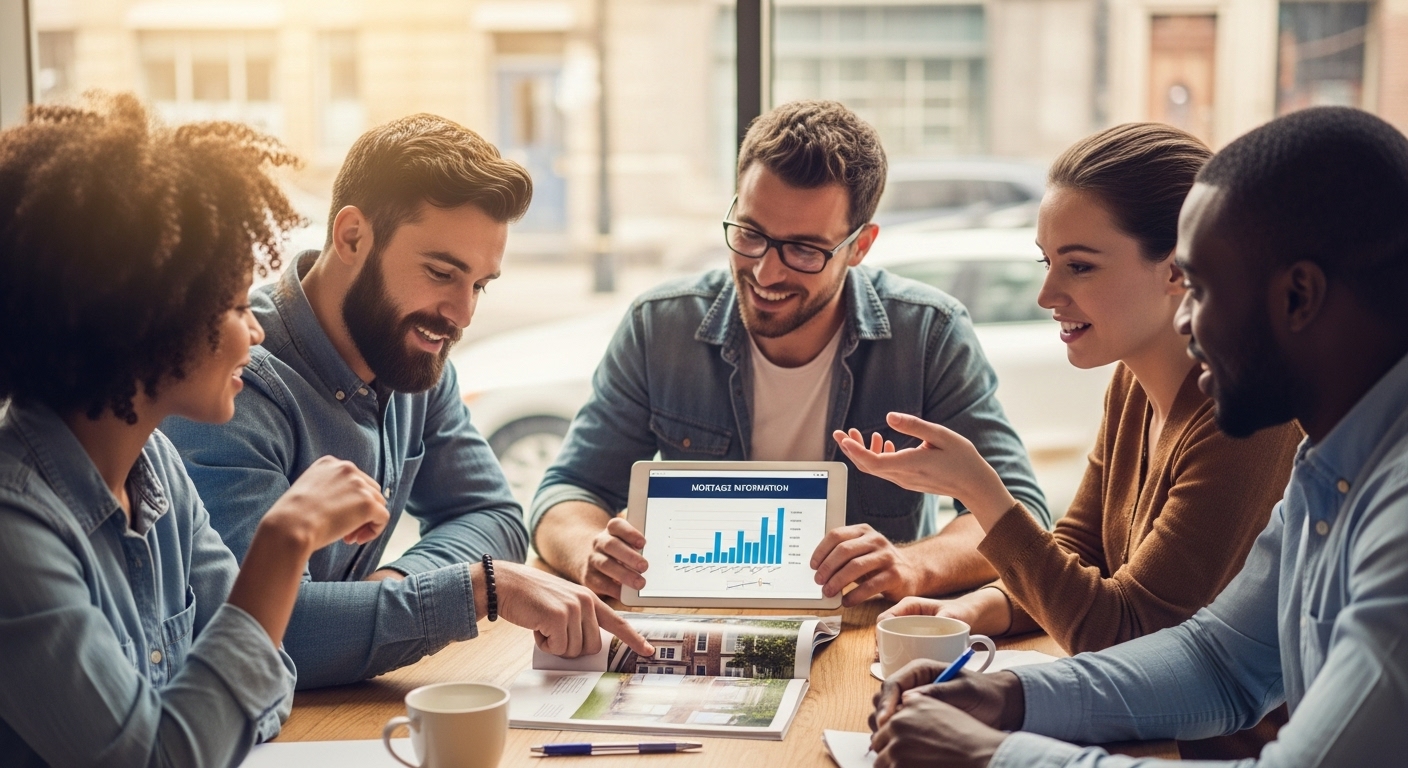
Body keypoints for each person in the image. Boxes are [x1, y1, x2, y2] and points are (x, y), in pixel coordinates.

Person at [867, 106, 1408, 767]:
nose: (1189, 323)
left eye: (1203, 291)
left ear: (1298, 297)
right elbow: (1219, 661)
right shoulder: (1329, 462)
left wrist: (994, 757)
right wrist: (1007, 696)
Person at [163, 113, 653, 690]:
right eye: (441, 272)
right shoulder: (234, 381)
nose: (462, 313)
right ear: (351, 237)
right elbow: (259, 637)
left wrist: (395, 587)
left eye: (478, 284)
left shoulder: (414, 353)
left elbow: (491, 517)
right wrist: (477, 588)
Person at [0, 93, 390, 766]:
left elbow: (266, 697)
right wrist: (283, 541)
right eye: (238, 306)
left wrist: (206, 709)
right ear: (146, 321)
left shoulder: (157, 470)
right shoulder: (14, 531)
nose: (257, 330)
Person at [531, 100, 1050, 604]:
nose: (765, 272)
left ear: (859, 247)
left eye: (803, 249)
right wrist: (589, 552)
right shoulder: (660, 326)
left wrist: (914, 564)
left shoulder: (929, 335)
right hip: (701, 623)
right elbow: (567, 491)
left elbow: (1016, 513)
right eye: (751, 234)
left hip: (858, 635)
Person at [841, 124, 1301, 661]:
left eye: (1079, 266)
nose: (1046, 295)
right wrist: (972, 610)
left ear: (1177, 268)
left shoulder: (1245, 421)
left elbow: (1124, 631)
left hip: (1202, 745)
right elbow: (1080, 551)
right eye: (1047, 261)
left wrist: (982, 493)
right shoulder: (1133, 382)